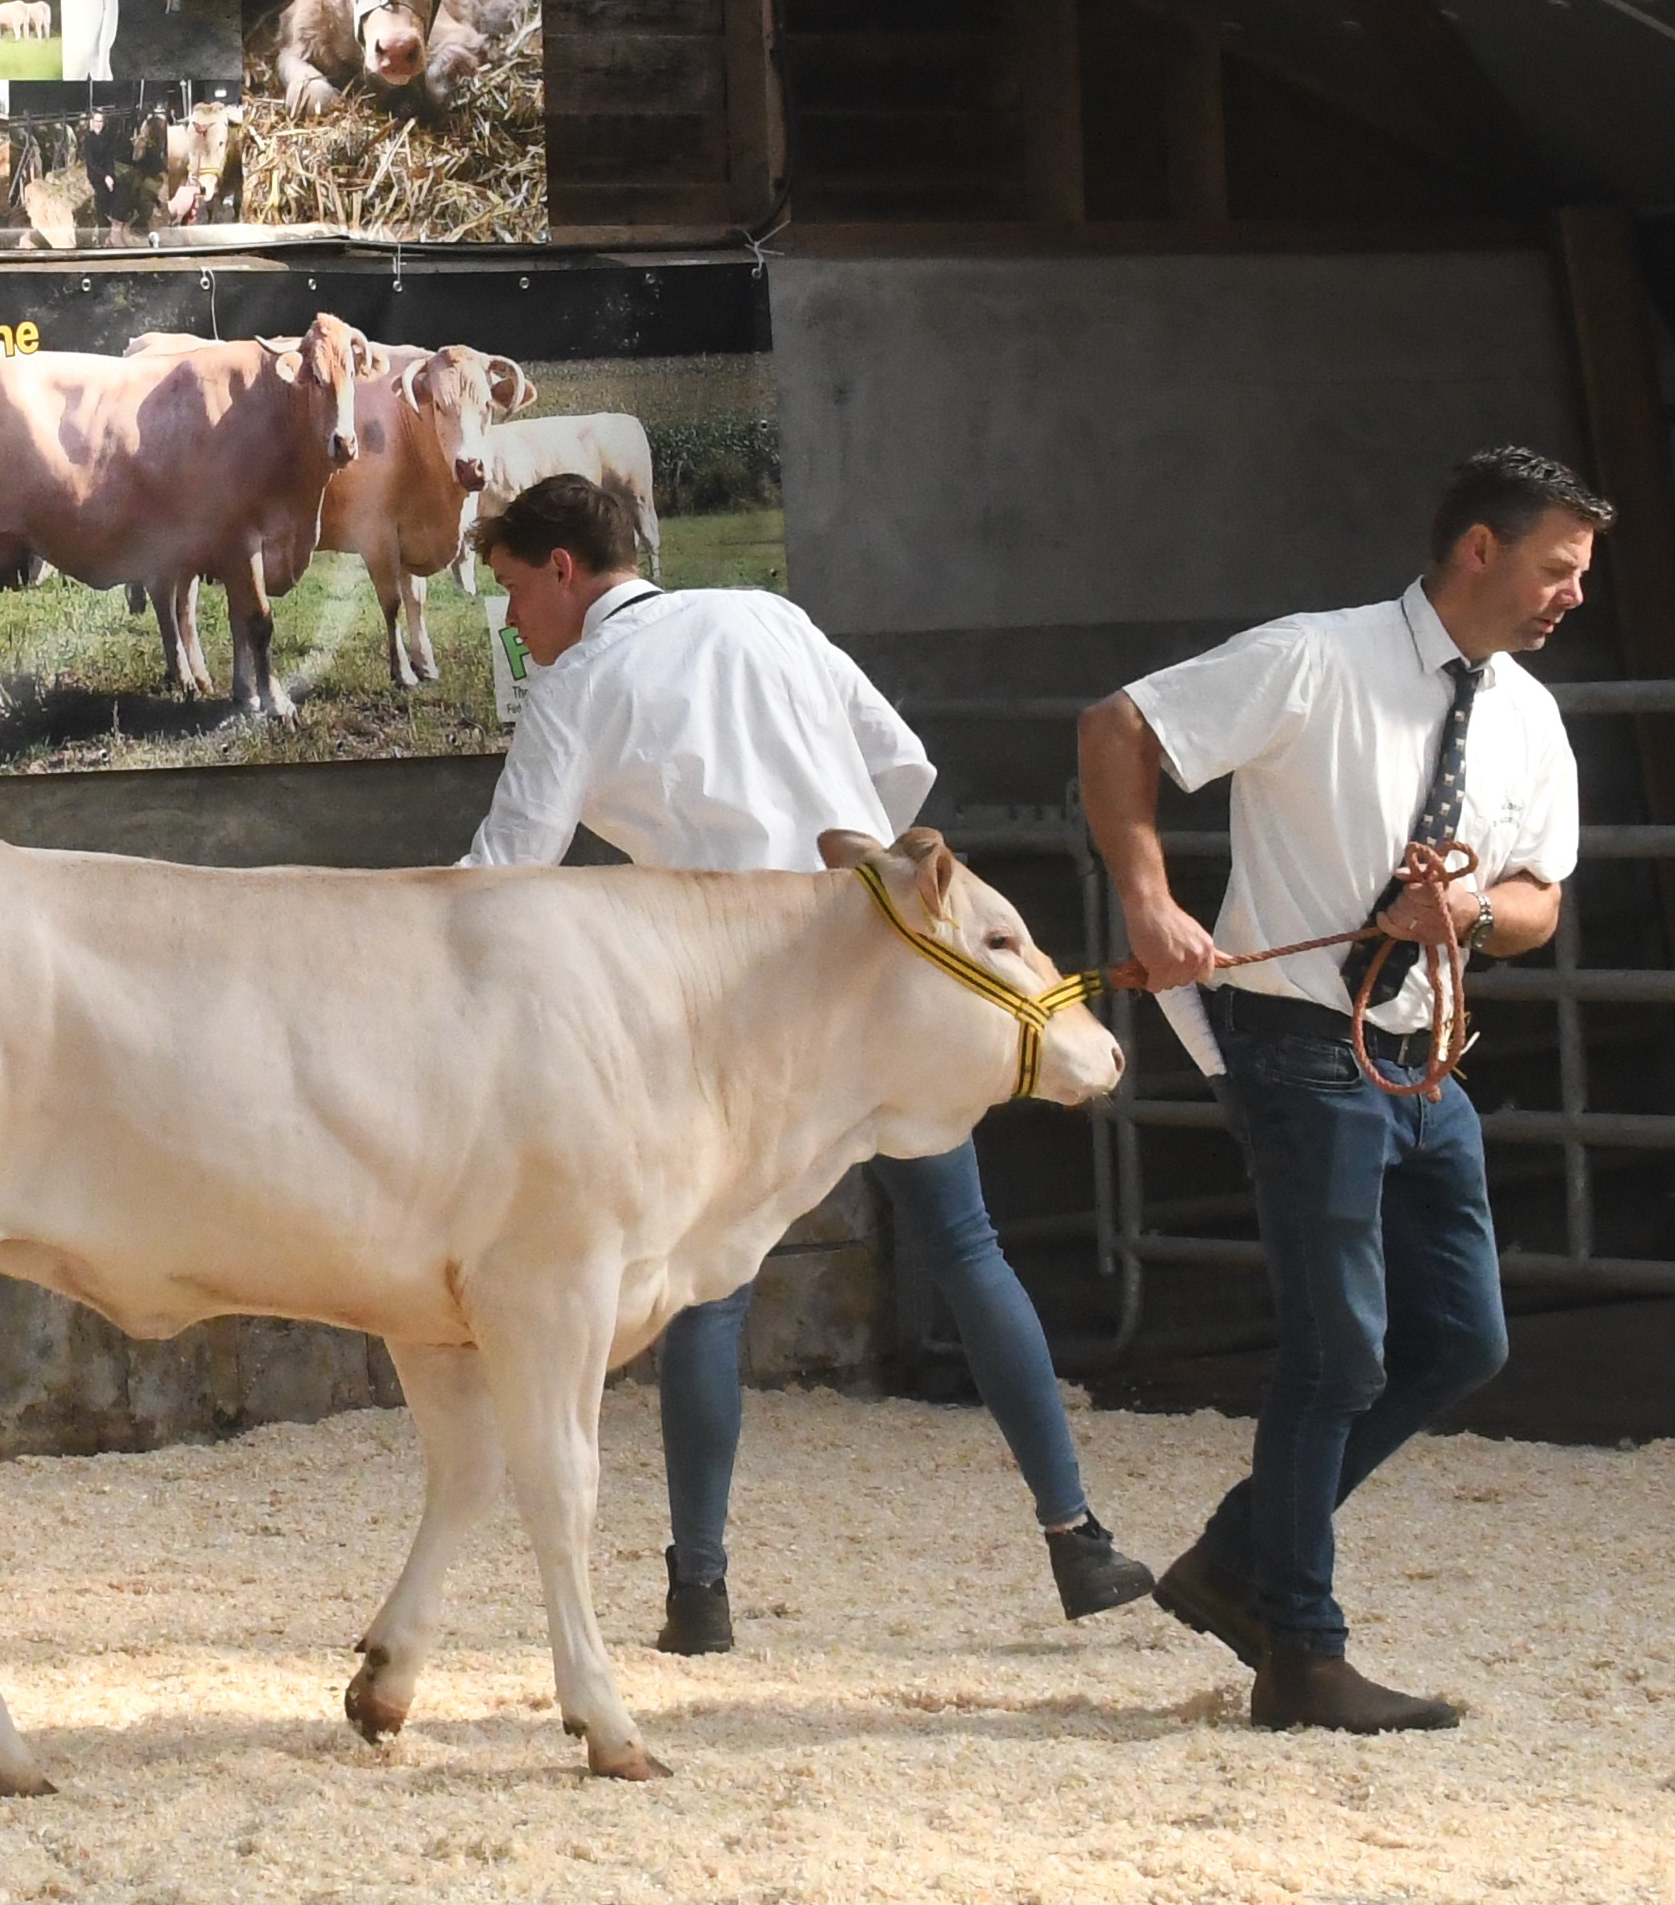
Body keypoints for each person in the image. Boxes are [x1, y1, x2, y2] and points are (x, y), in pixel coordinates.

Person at [464, 472, 1154, 1655]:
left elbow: (506, 873)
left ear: (565, 570)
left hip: (737, 1011)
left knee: (710, 1297)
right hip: (882, 970)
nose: (514, 619)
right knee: (967, 1247)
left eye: (514, 589)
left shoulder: (576, 683)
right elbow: (903, 768)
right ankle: (1076, 1536)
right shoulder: (767, 613)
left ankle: (700, 1595)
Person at [1082, 444, 1601, 1735]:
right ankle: (1299, 1653)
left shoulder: (1526, 710)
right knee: (1338, 1348)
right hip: (1300, 1039)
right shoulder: (1315, 654)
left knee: (1461, 1337)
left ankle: (1237, 1563)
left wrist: (1473, 907)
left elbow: (1538, 898)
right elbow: (1119, 724)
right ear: (1477, 548)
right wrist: (1150, 900)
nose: (1569, 595)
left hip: (1424, 1053)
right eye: (1556, 567)